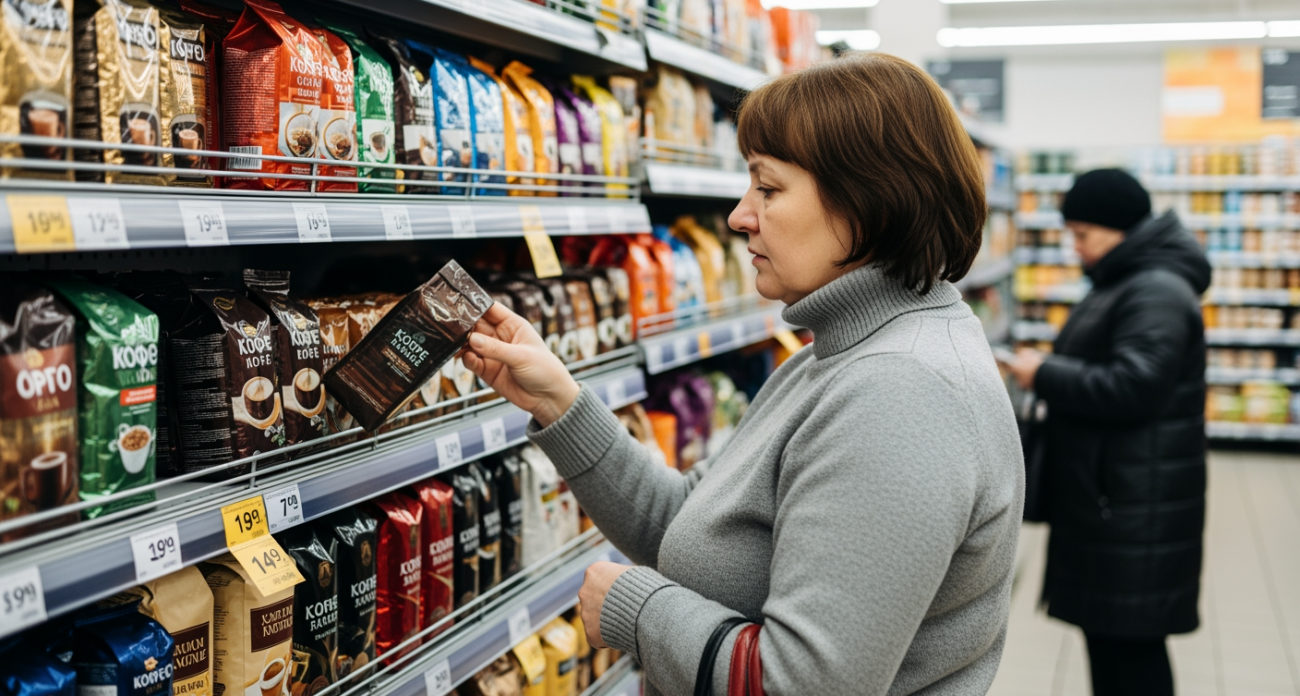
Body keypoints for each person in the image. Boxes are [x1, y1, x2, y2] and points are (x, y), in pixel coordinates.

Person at [464, 53, 1024, 695]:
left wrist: (640, 610)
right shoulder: (834, 358)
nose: (738, 216)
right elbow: (694, 526)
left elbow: (805, 685)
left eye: (768, 188)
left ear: (869, 201)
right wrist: (560, 403)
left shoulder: (901, 393)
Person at [1005, 169, 1209, 696]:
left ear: (1120, 229)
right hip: (1114, 496)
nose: (1075, 247)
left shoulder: (1156, 289)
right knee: (1112, 643)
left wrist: (1043, 374)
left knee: (1131, 651)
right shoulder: (1126, 279)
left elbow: (1134, 385)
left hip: (1132, 503)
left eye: (1082, 234)